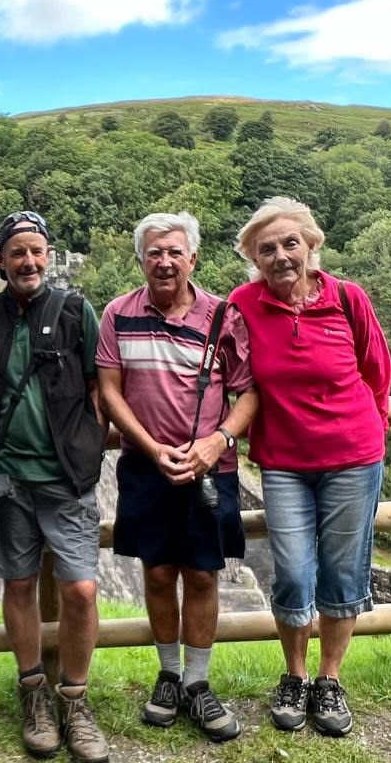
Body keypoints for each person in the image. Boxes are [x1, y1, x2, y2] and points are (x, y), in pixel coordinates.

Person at [230, 197, 391, 737]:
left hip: (353, 458)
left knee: (343, 572)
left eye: (290, 243)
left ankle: (329, 679)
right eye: (266, 249)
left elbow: (377, 370)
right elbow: (231, 373)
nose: (280, 256)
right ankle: (295, 676)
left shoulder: (347, 297)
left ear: (311, 245)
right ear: (254, 258)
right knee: (294, 574)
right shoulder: (244, 304)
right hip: (284, 463)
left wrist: (372, 431)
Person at [97, 212, 259, 742]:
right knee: (159, 573)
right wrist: (150, 448)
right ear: (140, 259)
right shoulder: (118, 314)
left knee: (204, 575)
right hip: (146, 468)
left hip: (210, 469)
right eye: (154, 253)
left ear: (193, 258)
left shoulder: (223, 315)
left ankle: (197, 682)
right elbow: (110, 390)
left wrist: (218, 441)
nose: (164, 262)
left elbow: (248, 392)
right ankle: (169, 675)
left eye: (174, 252)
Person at [0, 212, 107, 763]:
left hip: (66, 478)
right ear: (0, 260)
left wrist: (90, 447)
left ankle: (74, 699)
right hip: (8, 480)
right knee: (18, 585)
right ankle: (33, 692)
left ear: (48, 255)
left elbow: (97, 386)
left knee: (81, 590)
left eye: (37, 250)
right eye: (17, 252)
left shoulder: (74, 310)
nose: (28, 261)